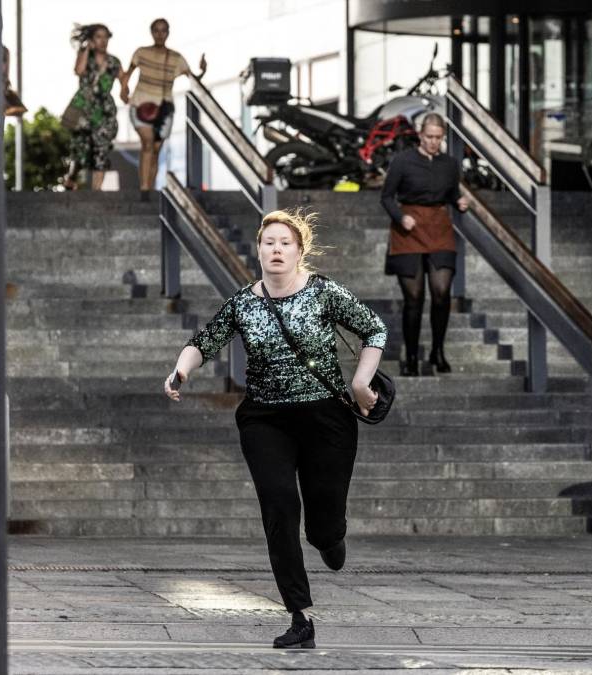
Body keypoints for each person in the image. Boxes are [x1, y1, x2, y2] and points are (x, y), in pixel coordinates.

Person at [164, 209, 386, 649]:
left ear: (300, 251)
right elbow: (205, 341)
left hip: (326, 418)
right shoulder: (244, 303)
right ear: (259, 250)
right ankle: (299, 614)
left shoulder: (324, 293)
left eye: (285, 243)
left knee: (321, 526)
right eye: (269, 242)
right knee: (280, 505)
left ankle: (331, 536)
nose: (277, 249)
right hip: (266, 419)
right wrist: (179, 372)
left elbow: (373, 328)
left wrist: (360, 382)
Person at [379, 112, 469, 376]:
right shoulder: (403, 161)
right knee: (414, 298)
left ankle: (438, 351)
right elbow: (386, 197)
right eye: (429, 137)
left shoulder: (450, 164)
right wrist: (400, 216)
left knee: (441, 293)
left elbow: (452, 194)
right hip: (409, 228)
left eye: (438, 138)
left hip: (439, 227)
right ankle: (412, 356)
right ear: (420, 134)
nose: (433, 142)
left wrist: (459, 203)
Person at [120, 18, 207, 201]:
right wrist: (123, 90)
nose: (160, 34)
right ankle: (144, 190)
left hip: (164, 109)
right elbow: (128, 74)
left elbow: (193, 78)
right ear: (151, 32)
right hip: (140, 105)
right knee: (148, 144)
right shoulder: (141, 53)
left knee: (156, 151)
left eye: (164, 31)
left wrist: (202, 71)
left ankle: (149, 187)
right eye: (157, 31)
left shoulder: (176, 58)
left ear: (168, 33)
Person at [63, 24, 126, 191]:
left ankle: (96, 193)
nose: (103, 41)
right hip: (85, 107)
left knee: (102, 149)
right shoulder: (85, 56)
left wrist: (126, 94)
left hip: (104, 110)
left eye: (106, 37)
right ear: (91, 39)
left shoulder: (114, 62)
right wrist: (85, 50)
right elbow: (79, 70)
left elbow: (123, 82)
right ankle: (71, 177)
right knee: (81, 150)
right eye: (98, 36)